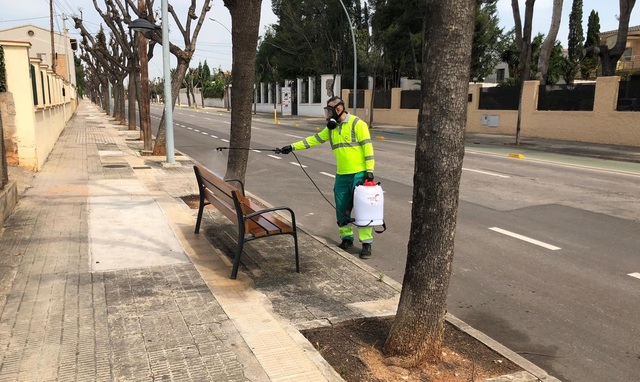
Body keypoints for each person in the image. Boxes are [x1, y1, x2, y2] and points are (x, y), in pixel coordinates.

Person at [279, 96, 375, 259]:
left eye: (329, 111)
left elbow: (368, 148)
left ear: (338, 109)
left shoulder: (358, 124)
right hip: (342, 175)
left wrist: (370, 172)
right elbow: (313, 140)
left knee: (363, 210)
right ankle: (347, 239)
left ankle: (366, 244)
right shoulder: (331, 128)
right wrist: (292, 147)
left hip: (360, 174)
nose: (328, 114)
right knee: (341, 209)